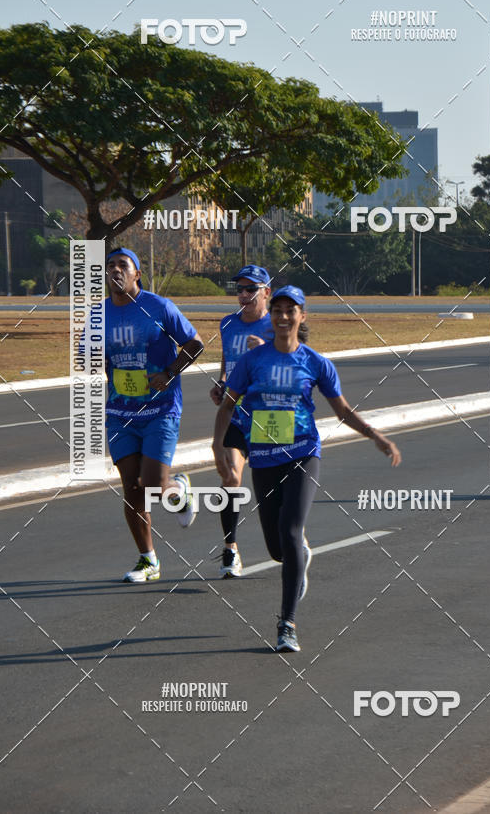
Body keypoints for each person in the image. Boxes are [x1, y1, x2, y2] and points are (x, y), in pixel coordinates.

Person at [212, 285, 401, 652]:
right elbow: (227, 406)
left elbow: (342, 410)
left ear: (302, 315)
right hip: (264, 458)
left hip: (302, 453)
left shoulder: (315, 362)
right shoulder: (253, 361)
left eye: (290, 310)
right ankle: (298, 557)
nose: (282, 316)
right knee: (277, 550)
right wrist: (218, 446)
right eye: (278, 310)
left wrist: (375, 436)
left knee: (292, 528)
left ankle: (287, 623)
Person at [102, 248, 204, 583]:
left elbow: (195, 344)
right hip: (120, 413)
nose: (115, 270)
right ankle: (149, 560)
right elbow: (98, 358)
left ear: (137, 275)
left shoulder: (159, 307)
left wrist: (169, 373)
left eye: (123, 266)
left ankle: (180, 488)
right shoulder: (98, 315)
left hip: (160, 408)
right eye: (110, 266)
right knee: (132, 487)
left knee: (153, 485)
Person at [209, 265, 274, 578]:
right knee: (231, 478)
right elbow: (227, 358)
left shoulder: (277, 326)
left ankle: (285, 538)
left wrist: (265, 352)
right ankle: (230, 549)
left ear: (266, 293)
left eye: (251, 289)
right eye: (240, 289)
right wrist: (222, 381)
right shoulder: (228, 324)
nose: (244, 295)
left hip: (270, 415)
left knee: (273, 488)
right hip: (236, 413)